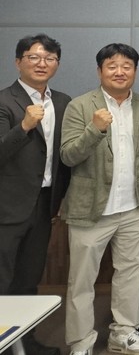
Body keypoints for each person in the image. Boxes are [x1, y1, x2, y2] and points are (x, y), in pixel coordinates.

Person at [60, 43, 139, 355]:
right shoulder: (80, 106)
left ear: (135, 71)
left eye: (126, 66)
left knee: (132, 275)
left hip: (135, 208)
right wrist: (94, 129)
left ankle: (124, 333)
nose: (120, 71)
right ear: (99, 71)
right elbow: (68, 156)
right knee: (81, 281)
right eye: (112, 66)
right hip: (90, 210)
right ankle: (81, 341)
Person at [0, 34, 70, 355]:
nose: (42, 64)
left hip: (44, 204)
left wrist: (62, 198)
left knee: (29, 278)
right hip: (7, 206)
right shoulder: (4, 101)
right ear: (19, 62)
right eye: (34, 57)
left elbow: (64, 158)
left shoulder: (63, 102)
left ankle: (25, 343)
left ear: (57, 64)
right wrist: (25, 126)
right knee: (2, 278)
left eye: (49, 58)